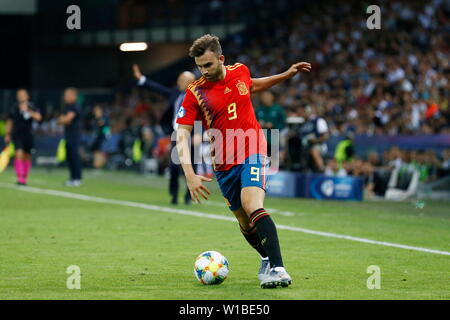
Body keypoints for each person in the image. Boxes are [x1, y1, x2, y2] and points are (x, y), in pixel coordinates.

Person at [176, 34, 311, 288]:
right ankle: (265, 258)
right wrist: (190, 174)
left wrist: (286, 75)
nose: (203, 71)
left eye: (208, 65)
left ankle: (279, 269)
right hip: (224, 164)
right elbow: (181, 134)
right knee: (244, 223)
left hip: (253, 150)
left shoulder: (240, 71)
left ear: (221, 59)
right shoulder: (195, 92)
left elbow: (253, 84)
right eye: (199, 66)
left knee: (252, 204)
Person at [132, 64, 196, 205]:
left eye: (182, 80)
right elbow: (157, 88)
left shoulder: (199, 97)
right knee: (174, 166)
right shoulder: (175, 93)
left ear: (191, 82)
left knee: (191, 168)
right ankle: (174, 194)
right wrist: (142, 79)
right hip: (177, 134)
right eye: (179, 79)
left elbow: (204, 115)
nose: (179, 82)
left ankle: (189, 195)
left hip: (191, 135)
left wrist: (199, 134)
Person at [4, 89, 42, 185]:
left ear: (27, 96)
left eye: (23, 94)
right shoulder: (14, 107)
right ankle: (20, 177)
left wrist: (28, 111)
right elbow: (10, 121)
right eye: (19, 95)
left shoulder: (32, 106)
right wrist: (7, 134)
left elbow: (39, 117)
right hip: (17, 134)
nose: (21, 96)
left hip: (28, 134)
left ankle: (24, 176)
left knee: (27, 156)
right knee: (19, 153)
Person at [58, 87, 82, 187]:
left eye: (67, 95)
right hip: (68, 135)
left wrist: (64, 119)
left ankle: (77, 178)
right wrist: (63, 119)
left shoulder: (75, 106)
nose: (65, 97)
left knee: (74, 156)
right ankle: (72, 178)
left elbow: (66, 120)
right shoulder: (67, 107)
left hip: (74, 135)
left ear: (73, 96)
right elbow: (59, 120)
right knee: (69, 157)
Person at [298, 104, 329, 172]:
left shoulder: (318, 120)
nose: (305, 113)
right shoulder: (303, 123)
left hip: (319, 145)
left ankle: (322, 170)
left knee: (314, 150)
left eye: (307, 111)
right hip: (305, 146)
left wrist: (314, 140)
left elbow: (325, 136)